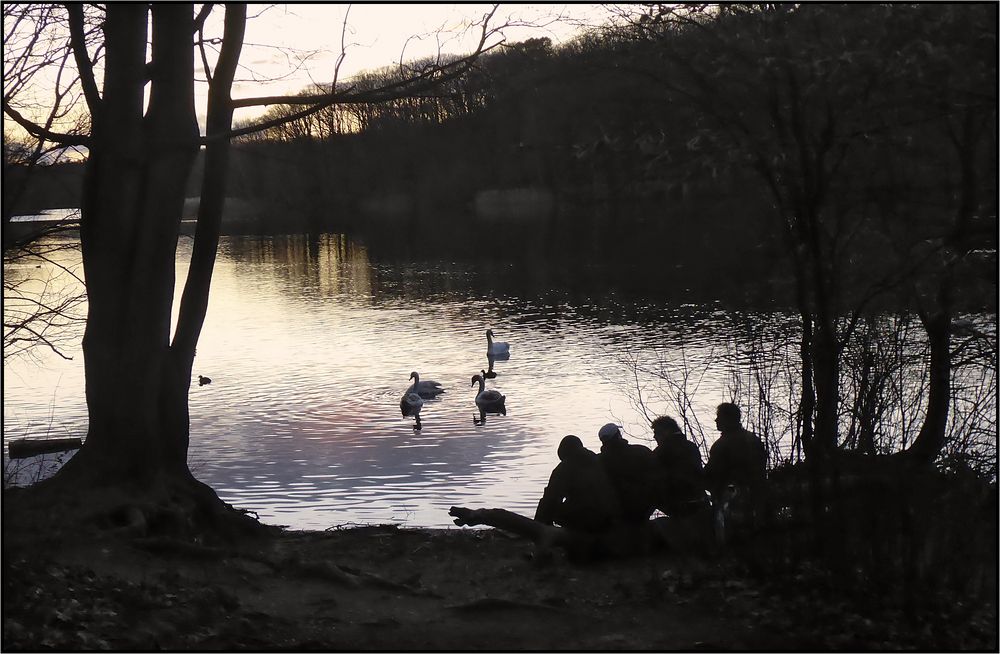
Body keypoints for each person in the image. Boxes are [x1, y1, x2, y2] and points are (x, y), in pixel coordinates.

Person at [534, 435, 621, 534]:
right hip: (609, 516)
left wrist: (538, 524)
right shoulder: (598, 459)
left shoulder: (564, 468)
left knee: (550, 505)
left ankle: (541, 531)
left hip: (586, 518)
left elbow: (550, 498)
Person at [596, 423, 659, 524]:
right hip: (642, 509)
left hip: (614, 512)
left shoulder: (598, 461)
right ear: (618, 435)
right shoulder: (641, 451)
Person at [703, 403, 767, 499]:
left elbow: (712, 476)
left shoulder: (721, 445)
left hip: (731, 501)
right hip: (757, 497)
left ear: (728, 419)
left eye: (719, 417)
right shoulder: (753, 439)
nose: (716, 420)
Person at [650, 416, 710, 517]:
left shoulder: (661, 452)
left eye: (656, 433)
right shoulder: (691, 446)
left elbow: (655, 482)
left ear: (666, 431)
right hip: (701, 502)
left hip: (679, 508)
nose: (654, 437)